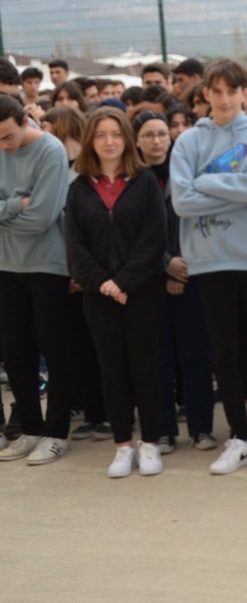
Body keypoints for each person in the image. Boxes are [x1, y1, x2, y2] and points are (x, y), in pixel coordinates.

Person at [169, 58, 247, 476]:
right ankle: (240, 436)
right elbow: (180, 202)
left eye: (231, 91)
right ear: (206, 94)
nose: (223, 99)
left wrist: (202, 182)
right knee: (224, 354)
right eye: (216, 91)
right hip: (207, 258)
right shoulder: (187, 143)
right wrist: (236, 192)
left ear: (244, 93)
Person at [65, 108, 167, 478]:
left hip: (142, 291)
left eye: (116, 134)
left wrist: (124, 280)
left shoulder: (144, 183)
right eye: (101, 135)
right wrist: (104, 283)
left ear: (127, 138)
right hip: (99, 295)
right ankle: (123, 444)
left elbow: (154, 239)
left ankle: (151, 442)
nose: (109, 141)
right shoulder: (79, 189)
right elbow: (75, 245)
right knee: (112, 370)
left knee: (144, 367)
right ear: (91, 141)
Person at [134, 111, 216, 453]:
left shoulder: (186, 172)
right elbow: (133, 233)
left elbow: (199, 219)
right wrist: (165, 264)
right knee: (157, 360)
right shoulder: (132, 178)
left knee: (196, 356)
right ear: (136, 139)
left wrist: (182, 265)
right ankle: (163, 429)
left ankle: (202, 428)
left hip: (191, 273)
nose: (157, 141)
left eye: (162, 134)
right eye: (148, 135)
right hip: (148, 279)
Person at [0, 94, 75, 466]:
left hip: (47, 265)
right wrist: (16, 204)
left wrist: (6, 212)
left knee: (54, 349)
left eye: (7, 137)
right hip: (6, 265)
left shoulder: (51, 150)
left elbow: (43, 217)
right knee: (15, 351)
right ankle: (30, 427)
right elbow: (27, 211)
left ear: (24, 121)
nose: (3, 146)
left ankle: (56, 431)